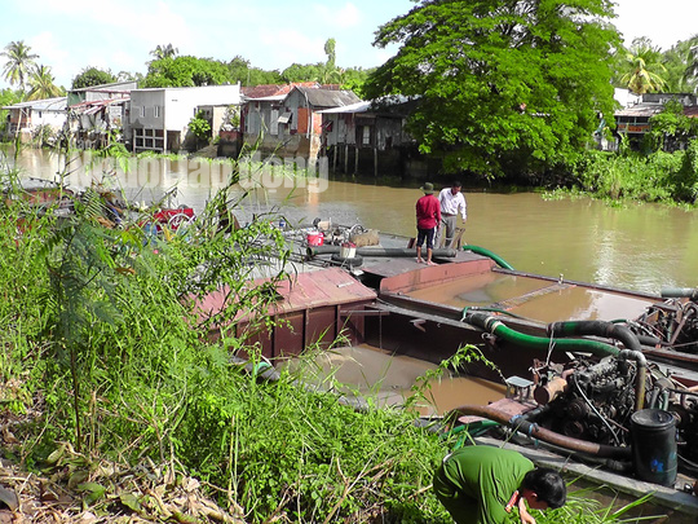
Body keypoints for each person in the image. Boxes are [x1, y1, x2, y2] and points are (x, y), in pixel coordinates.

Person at [432, 446, 566, 524]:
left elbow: (520, 489)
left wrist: (522, 509)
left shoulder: (527, 466)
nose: (542, 510)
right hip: (447, 481)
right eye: (544, 507)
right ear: (534, 495)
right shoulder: (499, 495)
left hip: (463, 458)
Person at [415, 182, 441, 265]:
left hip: (421, 223)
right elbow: (438, 213)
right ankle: (429, 260)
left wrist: (418, 222)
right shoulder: (435, 200)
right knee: (429, 242)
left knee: (420, 241)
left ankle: (418, 258)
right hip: (430, 224)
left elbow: (418, 213)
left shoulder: (420, 200)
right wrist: (439, 222)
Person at [438, 181, 467, 248]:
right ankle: (436, 248)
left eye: (458, 190)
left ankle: (447, 249)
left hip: (452, 216)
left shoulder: (460, 196)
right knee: (438, 232)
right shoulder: (444, 192)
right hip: (442, 215)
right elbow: (438, 202)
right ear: (452, 187)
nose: (456, 192)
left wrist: (464, 216)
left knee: (450, 234)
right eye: (456, 190)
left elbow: (462, 206)